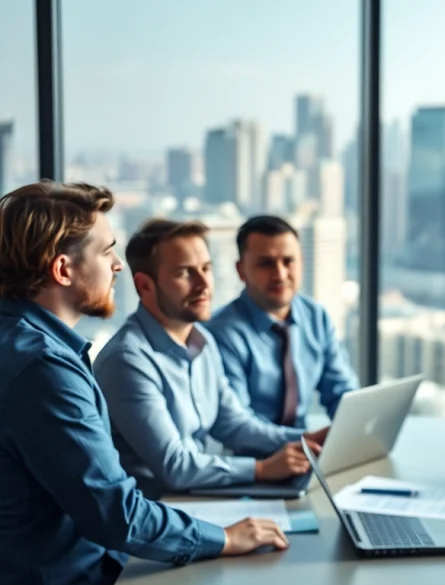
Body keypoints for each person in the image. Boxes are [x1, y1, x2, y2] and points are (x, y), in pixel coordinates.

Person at [0, 182, 289, 585]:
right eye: (105, 252)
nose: (117, 265)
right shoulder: (44, 369)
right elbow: (117, 515)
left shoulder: (27, 345)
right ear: (63, 269)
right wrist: (222, 538)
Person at [93, 218, 329, 497]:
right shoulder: (128, 361)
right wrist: (262, 469)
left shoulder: (204, 343)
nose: (204, 284)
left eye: (206, 269)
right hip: (156, 512)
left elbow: (234, 424)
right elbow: (176, 467)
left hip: (198, 499)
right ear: (145, 286)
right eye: (185, 273)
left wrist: (303, 439)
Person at [206, 215, 358, 429]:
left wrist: (353, 430)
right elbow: (238, 425)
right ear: (241, 271)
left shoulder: (315, 316)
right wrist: (304, 441)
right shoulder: (220, 334)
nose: (280, 274)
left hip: (304, 451)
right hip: (250, 458)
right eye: (266, 264)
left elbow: (341, 391)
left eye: (288, 261)